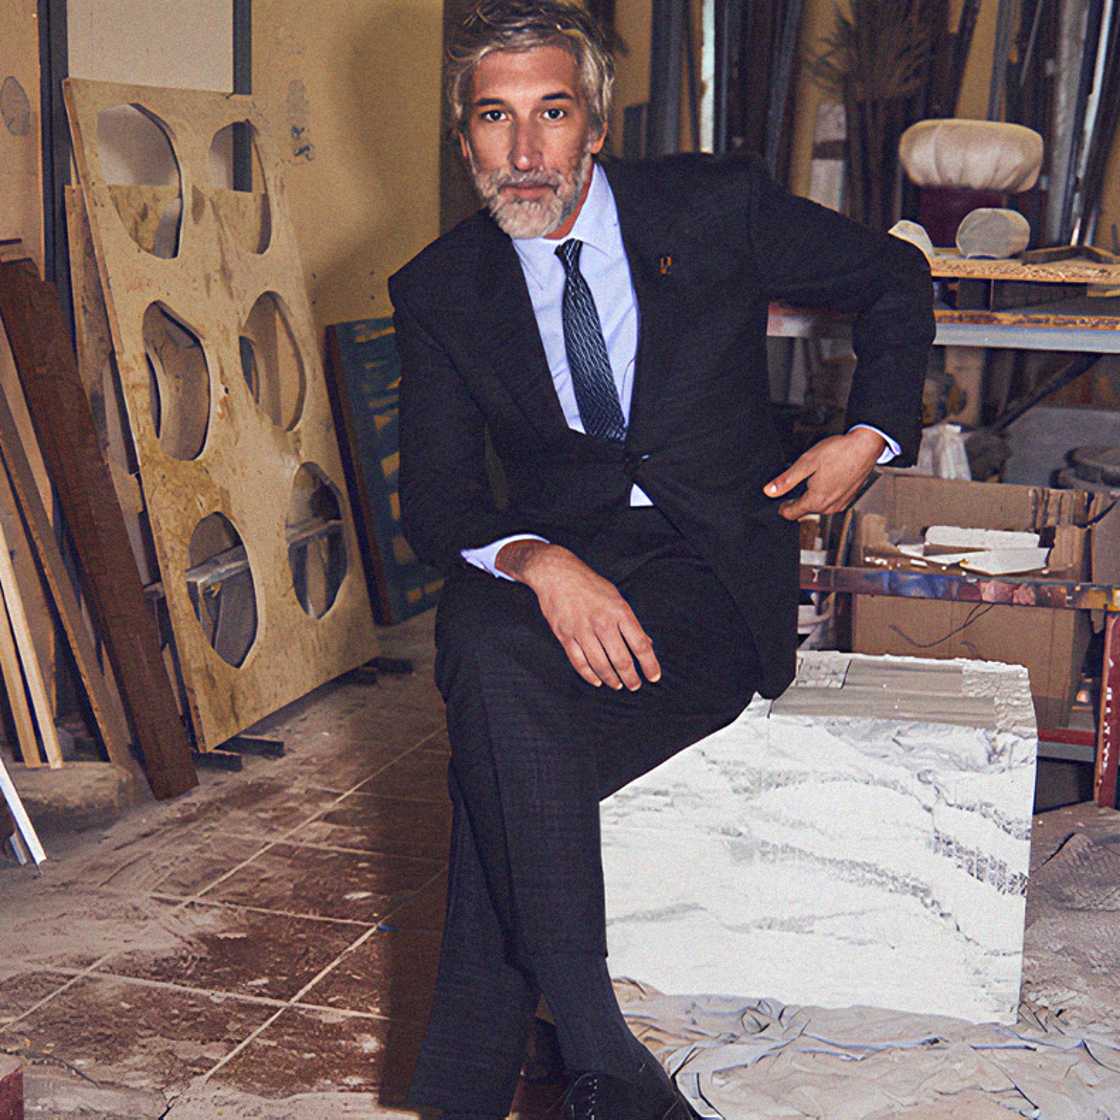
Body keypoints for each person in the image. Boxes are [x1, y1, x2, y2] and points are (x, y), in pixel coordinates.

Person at [389, 3, 934, 1117]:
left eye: (552, 113)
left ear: (595, 126)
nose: (525, 149)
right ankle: (605, 1058)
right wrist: (540, 561)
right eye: (494, 117)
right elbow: (437, 501)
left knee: (502, 762)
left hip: (706, 567)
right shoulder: (439, 288)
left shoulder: (711, 205)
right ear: (464, 137)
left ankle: (482, 1087)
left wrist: (868, 435)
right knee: (484, 646)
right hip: (560, 561)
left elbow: (893, 277)